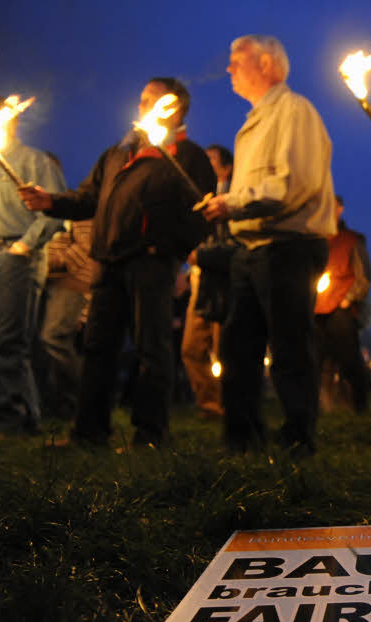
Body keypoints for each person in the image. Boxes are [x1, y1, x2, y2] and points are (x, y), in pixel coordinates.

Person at [19, 78, 215, 448]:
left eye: (153, 100)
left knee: (151, 348)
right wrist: (52, 202)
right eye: (142, 100)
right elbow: (88, 198)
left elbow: (200, 213)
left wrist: (168, 251)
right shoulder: (116, 154)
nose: (143, 106)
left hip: (152, 264)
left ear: (176, 109)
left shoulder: (188, 156)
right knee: (98, 347)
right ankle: (89, 432)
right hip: (108, 261)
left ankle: (150, 435)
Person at [201, 35, 335, 456]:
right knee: (238, 348)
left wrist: (231, 202)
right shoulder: (255, 122)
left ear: (267, 64)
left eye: (236, 60)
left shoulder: (295, 112)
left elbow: (290, 185)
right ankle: (242, 439)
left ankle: (299, 440)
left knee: (290, 346)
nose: (229, 69)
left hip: (287, 247)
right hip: (252, 249)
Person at [0, 95, 66, 436]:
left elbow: (56, 209)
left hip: (19, 254)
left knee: (10, 339)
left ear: (9, 118)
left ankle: (18, 417)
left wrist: (23, 246)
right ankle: (10, 409)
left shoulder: (35, 161)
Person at [180, 143, 233, 418]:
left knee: (225, 346)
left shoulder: (234, 199)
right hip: (201, 279)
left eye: (211, 160)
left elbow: (233, 242)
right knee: (191, 346)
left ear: (226, 167)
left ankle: (230, 403)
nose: (205, 164)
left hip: (226, 280)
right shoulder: (202, 196)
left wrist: (202, 256)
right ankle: (210, 404)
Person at [314, 195, 370, 412]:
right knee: (316, 361)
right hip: (316, 310)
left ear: (339, 210)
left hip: (340, 309)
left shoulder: (351, 240)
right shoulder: (314, 241)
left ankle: (358, 404)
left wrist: (348, 300)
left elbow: (363, 277)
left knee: (349, 359)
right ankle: (320, 407)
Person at [37, 219, 97, 419]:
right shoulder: (49, 213)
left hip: (72, 283)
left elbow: (86, 248)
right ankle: (55, 403)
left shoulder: (81, 210)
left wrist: (44, 263)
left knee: (54, 338)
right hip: (47, 282)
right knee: (44, 342)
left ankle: (75, 402)